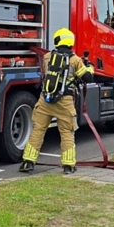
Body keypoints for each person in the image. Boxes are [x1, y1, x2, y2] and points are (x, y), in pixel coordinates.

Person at [19, 28, 95, 174]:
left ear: (57, 40)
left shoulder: (48, 57)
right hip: (64, 102)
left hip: (45, 99)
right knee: (67, 132)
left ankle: (28, 162)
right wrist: (89, 67)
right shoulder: (75, 60)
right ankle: (68, 166)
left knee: (38, 131)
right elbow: (87, 78)